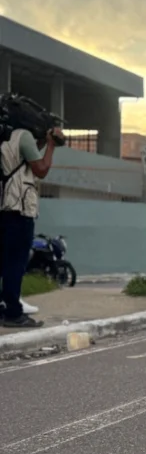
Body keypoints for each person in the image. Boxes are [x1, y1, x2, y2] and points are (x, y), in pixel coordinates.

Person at [0, 125, 60, 327]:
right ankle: (13, 313)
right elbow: (41, 170)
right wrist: (51, 145)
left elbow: (24, 155)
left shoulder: (6, 137)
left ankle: (3, 308)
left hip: (4, 208)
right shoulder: (22, 136)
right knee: (15, 264)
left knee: (4, 262)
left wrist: (41, 142)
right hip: (19, 210)